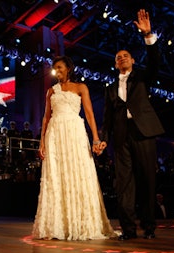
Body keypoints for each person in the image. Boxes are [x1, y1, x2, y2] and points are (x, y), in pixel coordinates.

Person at [32, 55, 117, 240]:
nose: (58, 71)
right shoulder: (51, 91)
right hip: (55, 135)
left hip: (74, 133)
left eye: (61, 67)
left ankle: (81, 223)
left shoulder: (81, 88)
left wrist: (96, 138)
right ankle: (57, 225)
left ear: (68, 68)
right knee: (56, 176)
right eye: (56, 68)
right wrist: (42, 142)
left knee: (78, 173)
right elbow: (46, 118)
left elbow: (89, 114)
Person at [99, 9, 165, 240]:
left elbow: (155, 62)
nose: (122, 58)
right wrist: (102, 138)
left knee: (147, 181)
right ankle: (128, 229)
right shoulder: (109, 88)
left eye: (125, 55)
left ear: (133, 60)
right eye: (118, 57)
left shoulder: (143, 79)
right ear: (115, 64)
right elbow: (106, 118)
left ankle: (149, 227)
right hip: (121, 138)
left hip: (144, 133)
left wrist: (148, 35)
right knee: (123, 185)